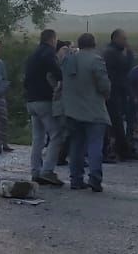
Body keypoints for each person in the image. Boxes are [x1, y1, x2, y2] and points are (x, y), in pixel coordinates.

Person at [61, 33, 111, 192]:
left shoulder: (68, 60)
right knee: (95, 145)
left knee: (76, 145)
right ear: (93, 44)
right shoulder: (96, 60)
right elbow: (104, 85)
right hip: (93, 109)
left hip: (72, 110)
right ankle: (95, 179)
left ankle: (76, 179)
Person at [24, 29, 64, 186]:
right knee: (56, 134)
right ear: (52, 39)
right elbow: (57, 71)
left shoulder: (33, 55)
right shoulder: (48, 53)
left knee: (38, 137)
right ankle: (47, 171)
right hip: (43, 100)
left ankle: (35, 171)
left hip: (31, 100)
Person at [102, 29, 134, 161]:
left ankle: (118, 149)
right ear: (115, 38)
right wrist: (130, 53)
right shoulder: (112, 53)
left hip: (116, 91)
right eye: (124, 39)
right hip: (114, 92)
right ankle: (121, 151)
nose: (125, 42)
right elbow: (125, 67)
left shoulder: (112, 51)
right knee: (116, 122)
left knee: (116, 122)